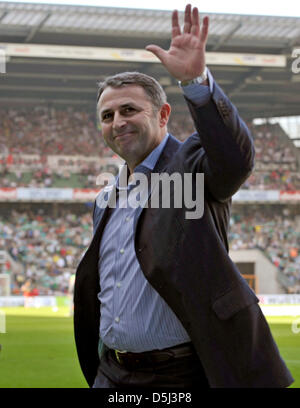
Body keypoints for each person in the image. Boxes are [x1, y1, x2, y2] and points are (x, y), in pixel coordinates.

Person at [74, 4, 293, 388]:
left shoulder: (191, 166)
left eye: (129, 110)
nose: (117, 122)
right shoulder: (106, 197)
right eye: (107, 116)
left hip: (181, 375)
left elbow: (234, 160)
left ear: (162, 115)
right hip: (112, 372)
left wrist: (196, 82)